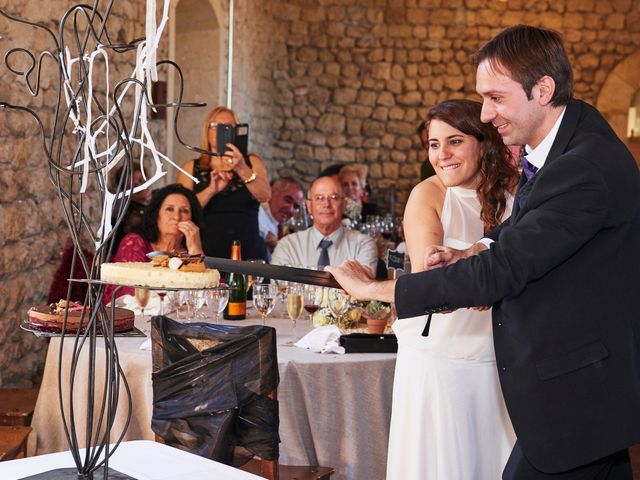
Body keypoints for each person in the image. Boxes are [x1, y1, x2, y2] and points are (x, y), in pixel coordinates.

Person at [327, 24, 640, 480]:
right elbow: (526, 227)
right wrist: (476, 247)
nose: (487, 114)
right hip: (583, 389)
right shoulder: (573, 137)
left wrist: (378, 288)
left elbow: (506, 270)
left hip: (576, 389)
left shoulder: (583, 166)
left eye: (495, 97)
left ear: (543, 89)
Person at [387, 99, 518, 480]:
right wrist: (479, 285)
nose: (441, 155)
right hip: (440, 361)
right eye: (433, 144)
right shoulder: (427, 195)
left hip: (504, 358)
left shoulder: (519, 192)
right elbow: (432, 280)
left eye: (454, 141)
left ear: (484, 142)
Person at [176, 106, 271, 260]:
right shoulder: (191, 167)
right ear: (207, 130)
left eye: (229, 127)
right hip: (206, 251)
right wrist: (210, 191)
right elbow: (181, 212)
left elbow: (265, 195)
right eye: (217, 127)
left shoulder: (251, 162)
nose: (224, 132)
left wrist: (242, 169)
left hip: (247, 251)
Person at [103, 184, 203, 304]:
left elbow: (201, 296)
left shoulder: (191, 251)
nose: (177, 217)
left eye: (184, 211)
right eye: (170, 209)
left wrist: (195, 249)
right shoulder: (134, 242)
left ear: (192, 218)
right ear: (156, 214)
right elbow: (130, 292)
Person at [271, 175, 377, 272]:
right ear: (309, 206)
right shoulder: (287, 246)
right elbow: (279, 290)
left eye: (333, 198)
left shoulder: (362, 245)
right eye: (319, 198)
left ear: (344, 205)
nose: (326, 204)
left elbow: (362, 289)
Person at [110, 161, 152, 255]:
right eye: (133, 185)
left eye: (142, 181)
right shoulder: (127, 216)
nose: (140, 187)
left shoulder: (159, 201)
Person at [258, 176, 305, 259]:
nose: (290, 210)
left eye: (295, 206)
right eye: (287, 200)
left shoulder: (277, 226)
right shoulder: (257, 214)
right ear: (272, 192)